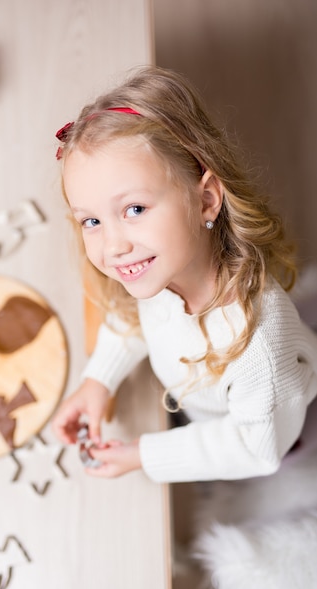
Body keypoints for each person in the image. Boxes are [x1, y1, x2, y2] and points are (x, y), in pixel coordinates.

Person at [52, 66, 317, 483]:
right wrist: (98, 381)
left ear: (206, 199)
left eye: (134, 210)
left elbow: (257, 447)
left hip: (272, 426)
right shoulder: (156, 267)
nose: (112, 245)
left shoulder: (258, 349)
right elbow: (131, 314)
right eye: (90, 221)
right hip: (201, 402)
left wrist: (144, 453)